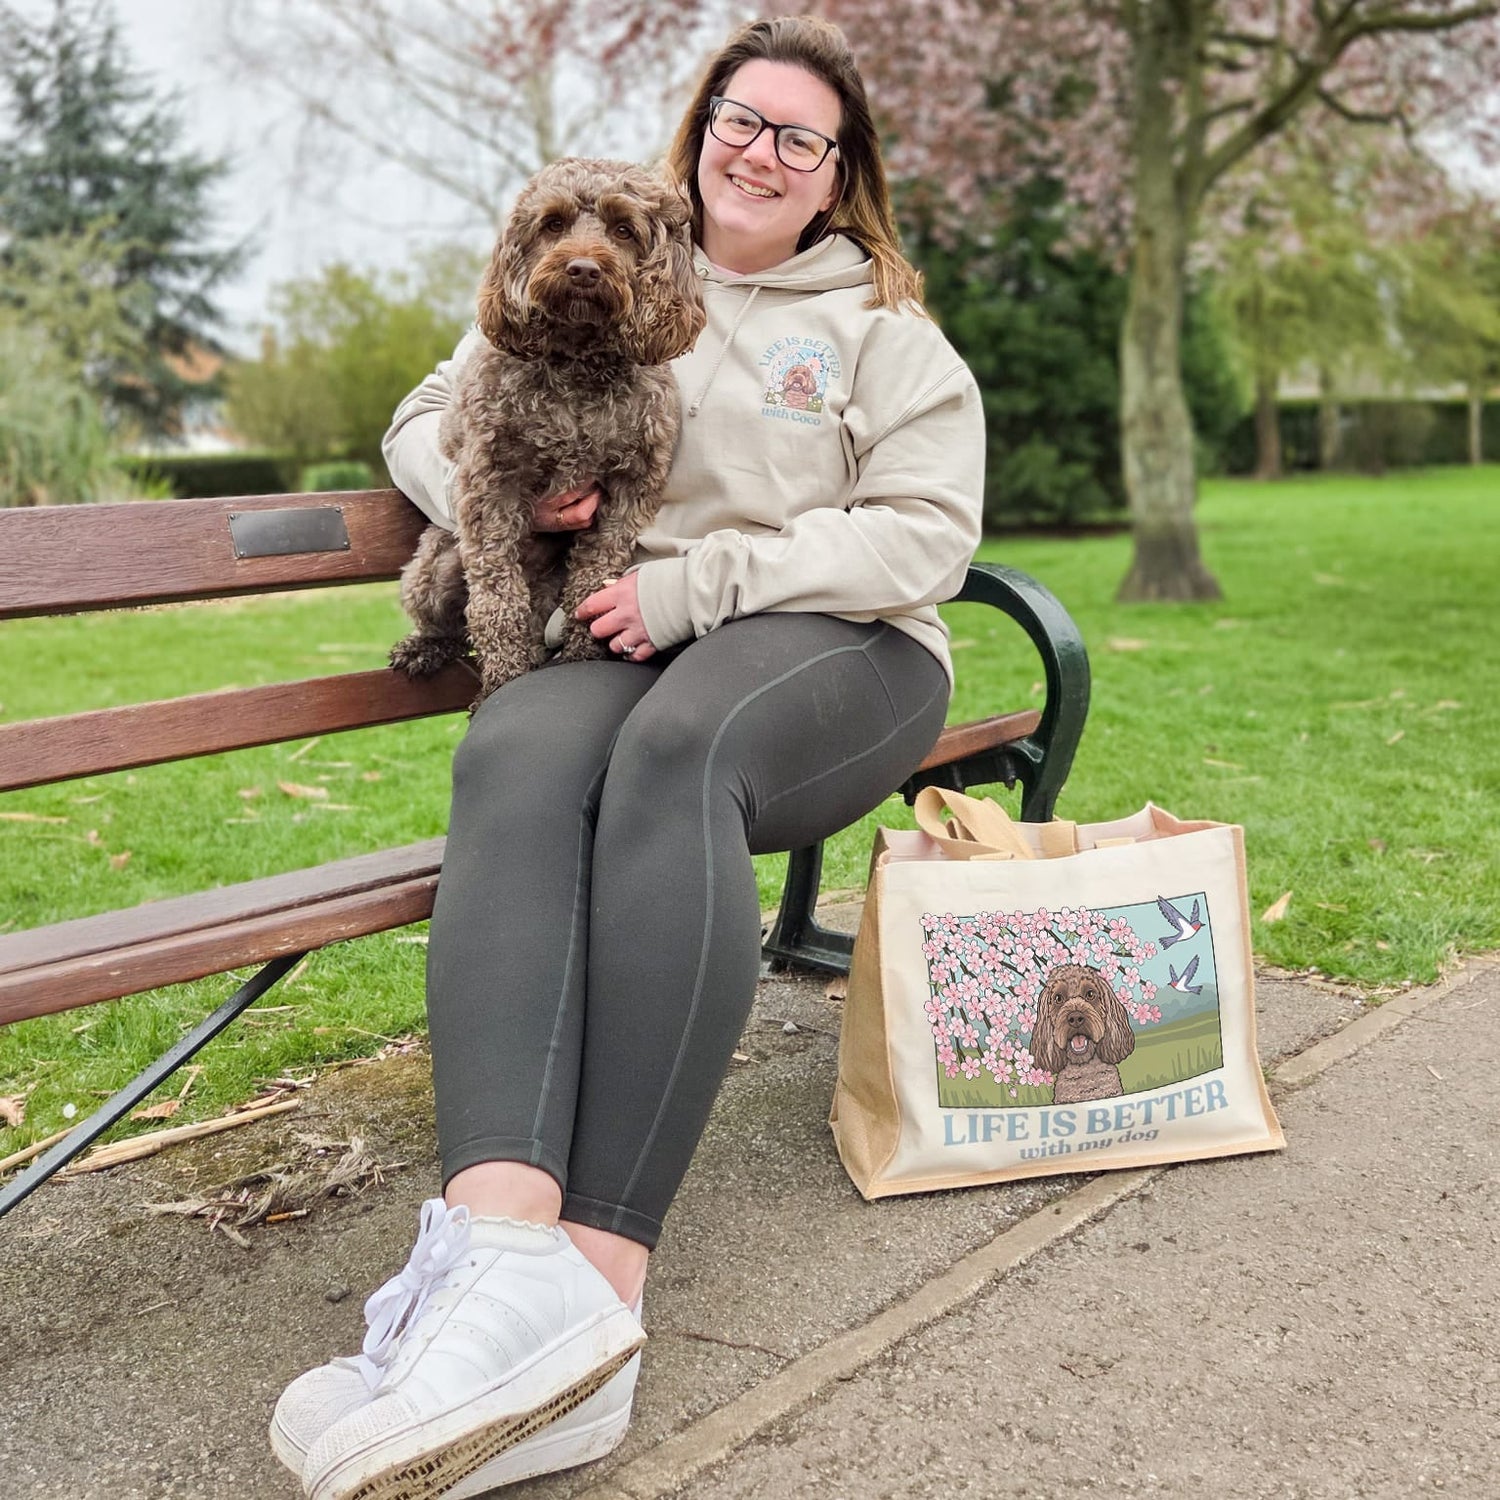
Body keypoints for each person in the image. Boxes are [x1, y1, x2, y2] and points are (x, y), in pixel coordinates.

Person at [273, 15, 984, 1500]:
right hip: (623, 630)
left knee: (677, 753)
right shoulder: (595, 264)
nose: (763, 150)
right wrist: (506, 496)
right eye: (743, 116)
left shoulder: (882, 332)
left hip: (838, 648)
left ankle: (597, 1302)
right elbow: (430, 416)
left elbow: (925, 535)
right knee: (518, 743)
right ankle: (493, 1262)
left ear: (840, 171)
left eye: (804, 135)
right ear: (704, 119)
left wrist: (692, 585)